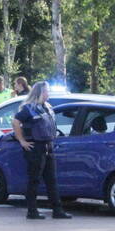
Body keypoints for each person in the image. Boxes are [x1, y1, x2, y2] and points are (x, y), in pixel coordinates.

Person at [12, 81, 72, 220]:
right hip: (35, 147)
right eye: (46, 91)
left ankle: (57, 210)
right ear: (39, 92)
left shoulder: (48, 107)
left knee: (51, 180)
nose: (48, 93)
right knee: (34, 180)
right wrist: (22, 141)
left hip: (48, 145)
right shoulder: (29, 108)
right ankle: (32, 211)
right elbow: (15, 122)